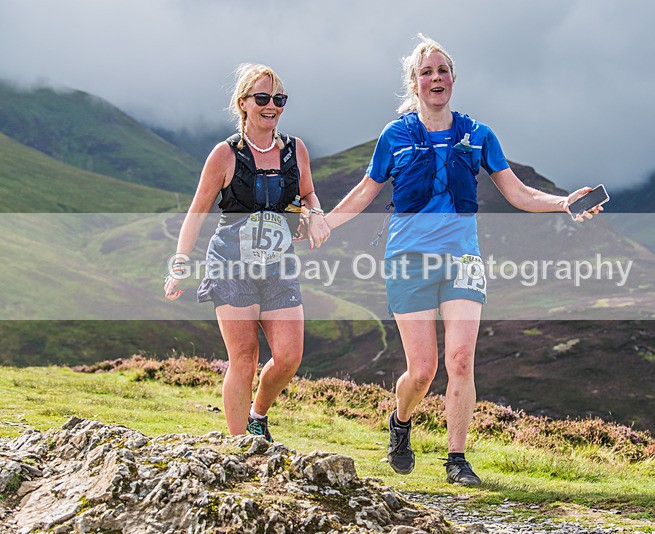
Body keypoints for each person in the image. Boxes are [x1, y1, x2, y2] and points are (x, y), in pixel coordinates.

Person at [323, 35, 601, 486]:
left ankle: (456, 459)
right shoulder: (394, 137)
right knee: (423, 370)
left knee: (461, 357)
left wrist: (564, 202)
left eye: (443, 71)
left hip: (462, 259)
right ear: (414, 84)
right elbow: (363, 192)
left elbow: (519, 192)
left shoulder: (479, 135)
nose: (436, 78)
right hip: (408, 259)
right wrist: (324, 224)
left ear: (453, 79)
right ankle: (401, 422)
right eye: (427, 72)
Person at [164, 63, 330, 440]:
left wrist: (315, 213)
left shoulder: (295, 149)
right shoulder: (224, 155)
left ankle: (258, 415)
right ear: (243, 103)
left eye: (278, 99)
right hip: (230, 266)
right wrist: (179, 265)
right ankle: (240, 447)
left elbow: (307, 193)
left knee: (289, 356)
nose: (271, 106)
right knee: (244, 358)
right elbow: (197, 211)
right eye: (262, 98)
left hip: (279, 267)